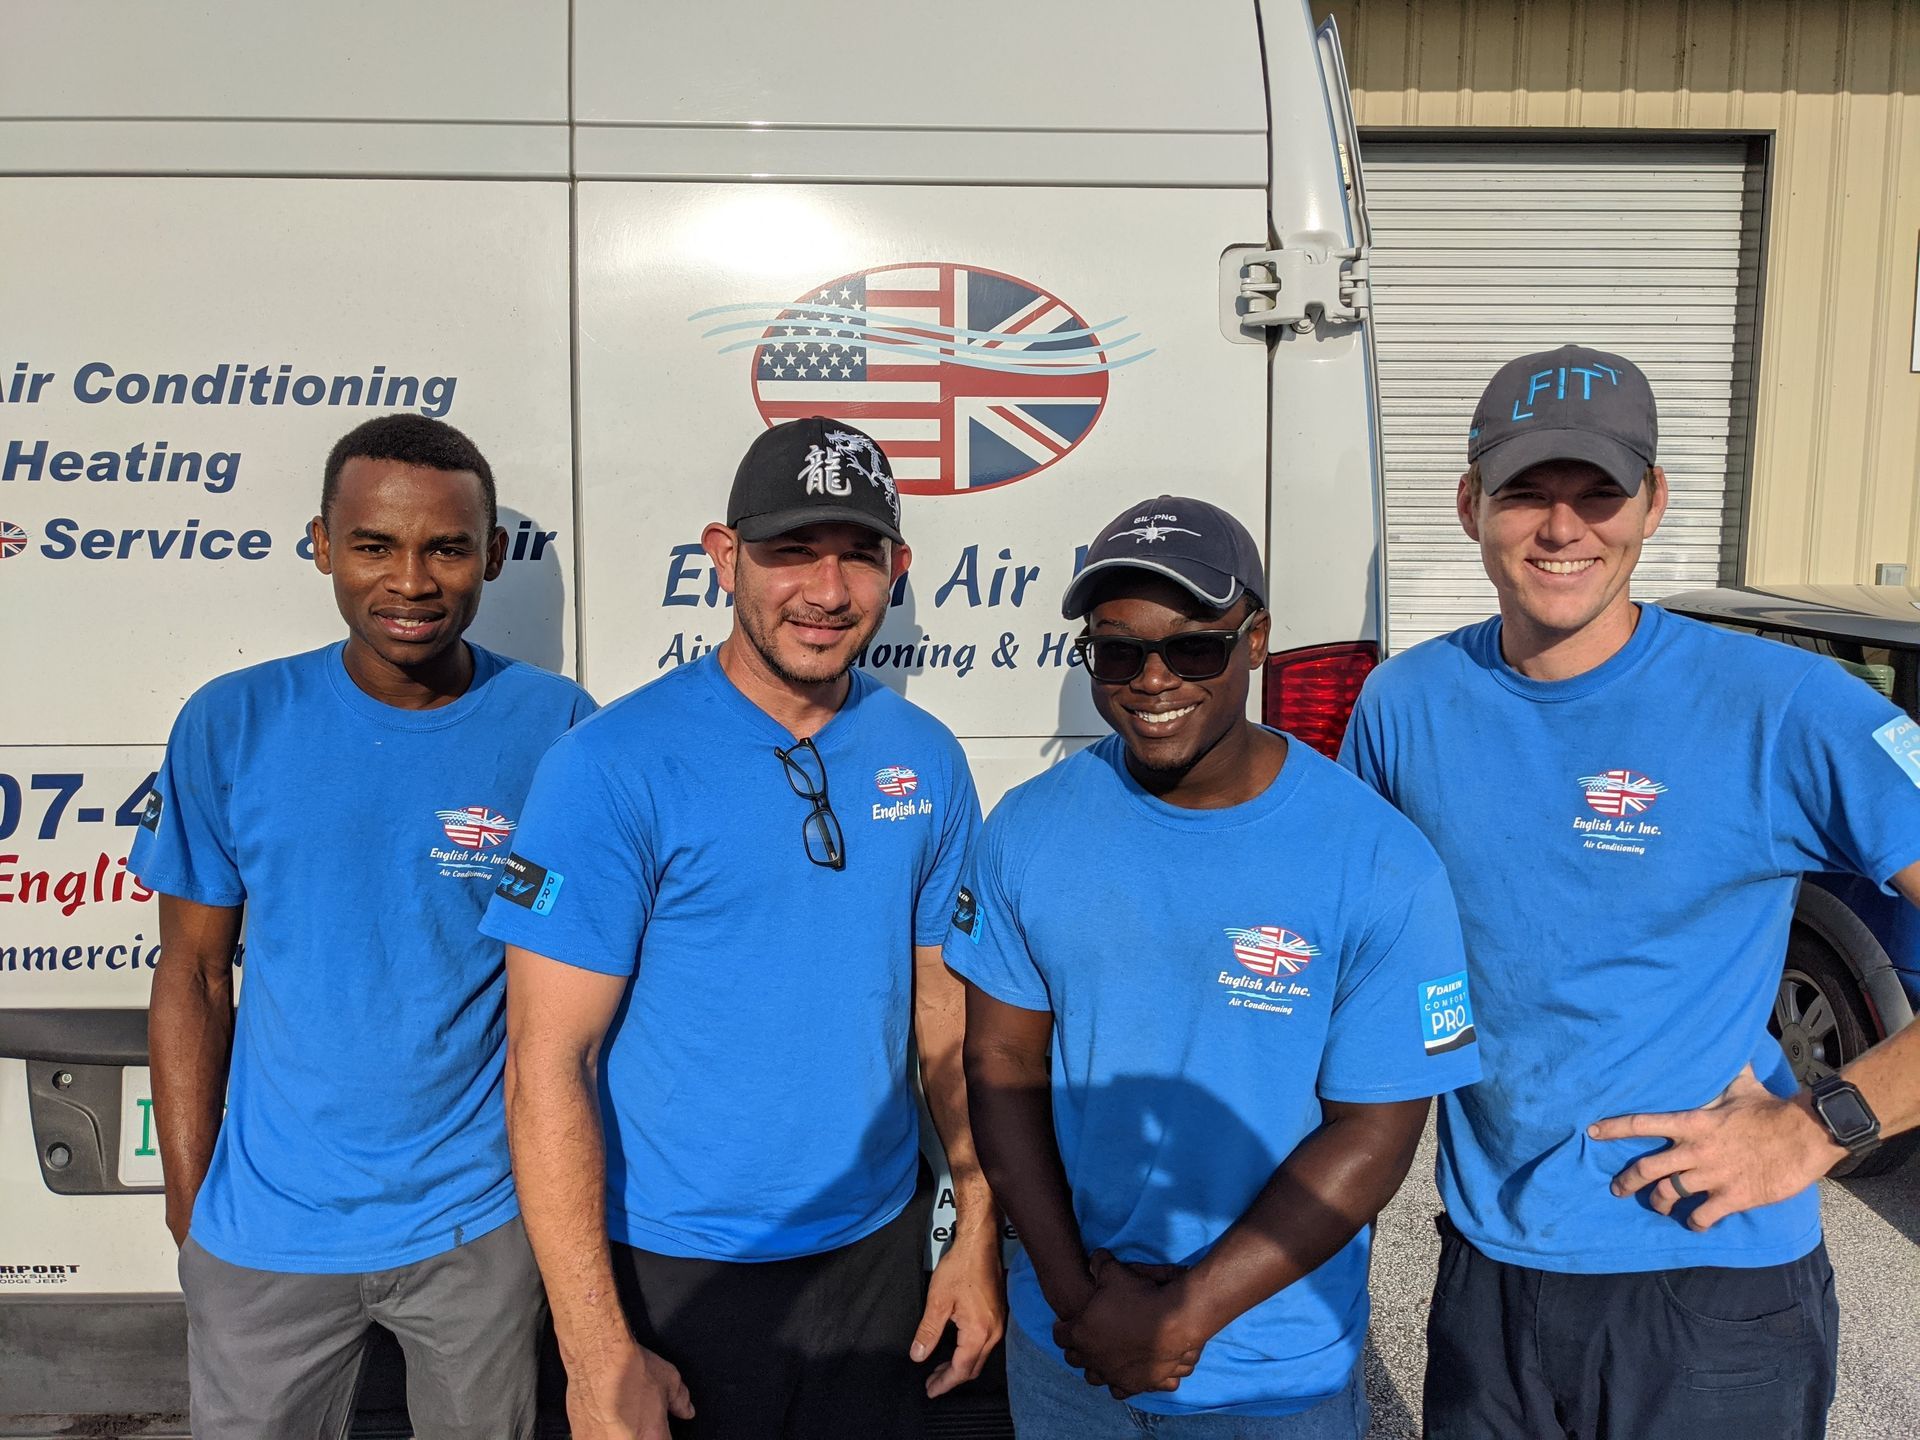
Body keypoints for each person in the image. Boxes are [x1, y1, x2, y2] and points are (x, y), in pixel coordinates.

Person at [1340, 344, 1920, 1440]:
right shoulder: (1405, 705)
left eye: (1599, 491)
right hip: (1486, 1271)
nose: (1563, 530)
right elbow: (1356, 957)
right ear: (1470, 504)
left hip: (1708, 1286)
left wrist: (1822, 1123)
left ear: (1652, 504)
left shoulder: (1784, 705)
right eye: (1526, 491)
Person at [482, 416, 1005, 1440]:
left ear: (897, 569)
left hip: (872, 1264)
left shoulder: (926, 758)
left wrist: (974, 1226)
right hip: (668, 1272)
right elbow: (545, 1065)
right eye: (790, 552)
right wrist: (596, 1359)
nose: (826, 590)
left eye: (858, 555)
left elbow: (947, 1011)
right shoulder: (610, 765)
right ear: (724, 557)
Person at [949, 496, 1481, 1439]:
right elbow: (1000, 1068)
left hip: (1272, 1376)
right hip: (1070, 1354)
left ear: (1257, 639)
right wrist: (1081, 1302)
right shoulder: (1028, 829)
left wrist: (1186, 1314)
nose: (1151, 679)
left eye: (1194, 647)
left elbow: (1377, 1134)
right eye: (1116, 652)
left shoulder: (1380, 860)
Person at [130, 413, 596, 1440]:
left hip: (480, 1222)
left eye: (446, 547)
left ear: (493, 556)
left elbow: (577, 994)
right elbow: (194, 977)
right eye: (375, 546)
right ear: (322, 547)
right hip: (263, 1229)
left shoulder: (559, 728)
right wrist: (191, 1206)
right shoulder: (233, 721)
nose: (412, 581)